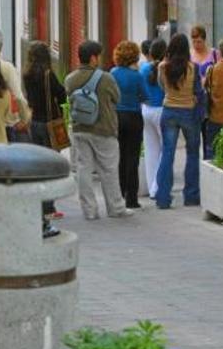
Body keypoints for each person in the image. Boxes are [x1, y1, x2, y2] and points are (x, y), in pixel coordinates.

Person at [65, 40, 133, 220]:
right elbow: (116, 98)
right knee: (109, 169)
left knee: (83, 168)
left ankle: (90, 210)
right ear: (93, 58)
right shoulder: (106, 78)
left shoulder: (70, 79)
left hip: (80, 128)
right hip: (104, 128)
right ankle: (116, 208)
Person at [156, 33, 203, 209]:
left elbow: (162, 87)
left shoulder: (163, 66)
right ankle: (191, 196)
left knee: (167, 154)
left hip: (168, 111)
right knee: (192, 154)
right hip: (188, 112)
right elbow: (198, 91)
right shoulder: (194, 68)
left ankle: (163, 198)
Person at [22, 41, 67, 217]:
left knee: (38, 164)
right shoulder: (48, 75)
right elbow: (62, 95)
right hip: (49, 123)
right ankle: (48, 206)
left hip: (35, 122)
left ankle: (38, 204)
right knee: (51, 165)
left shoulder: (26, 75)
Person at [111, 41, 148, 209]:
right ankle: (131, 199)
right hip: (134, 116)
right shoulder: (137, 76)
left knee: (119, 155)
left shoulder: (113, 73)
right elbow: (145, 96)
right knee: (133, 157)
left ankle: (119, 193)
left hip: (117, 116)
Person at [140, 38, 166, 200]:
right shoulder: (166, 68)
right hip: (162, 110)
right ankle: (159, 185)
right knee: (166, 149)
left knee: (151, 150)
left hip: (146, 109)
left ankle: (152, 188)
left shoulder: (143, 68)